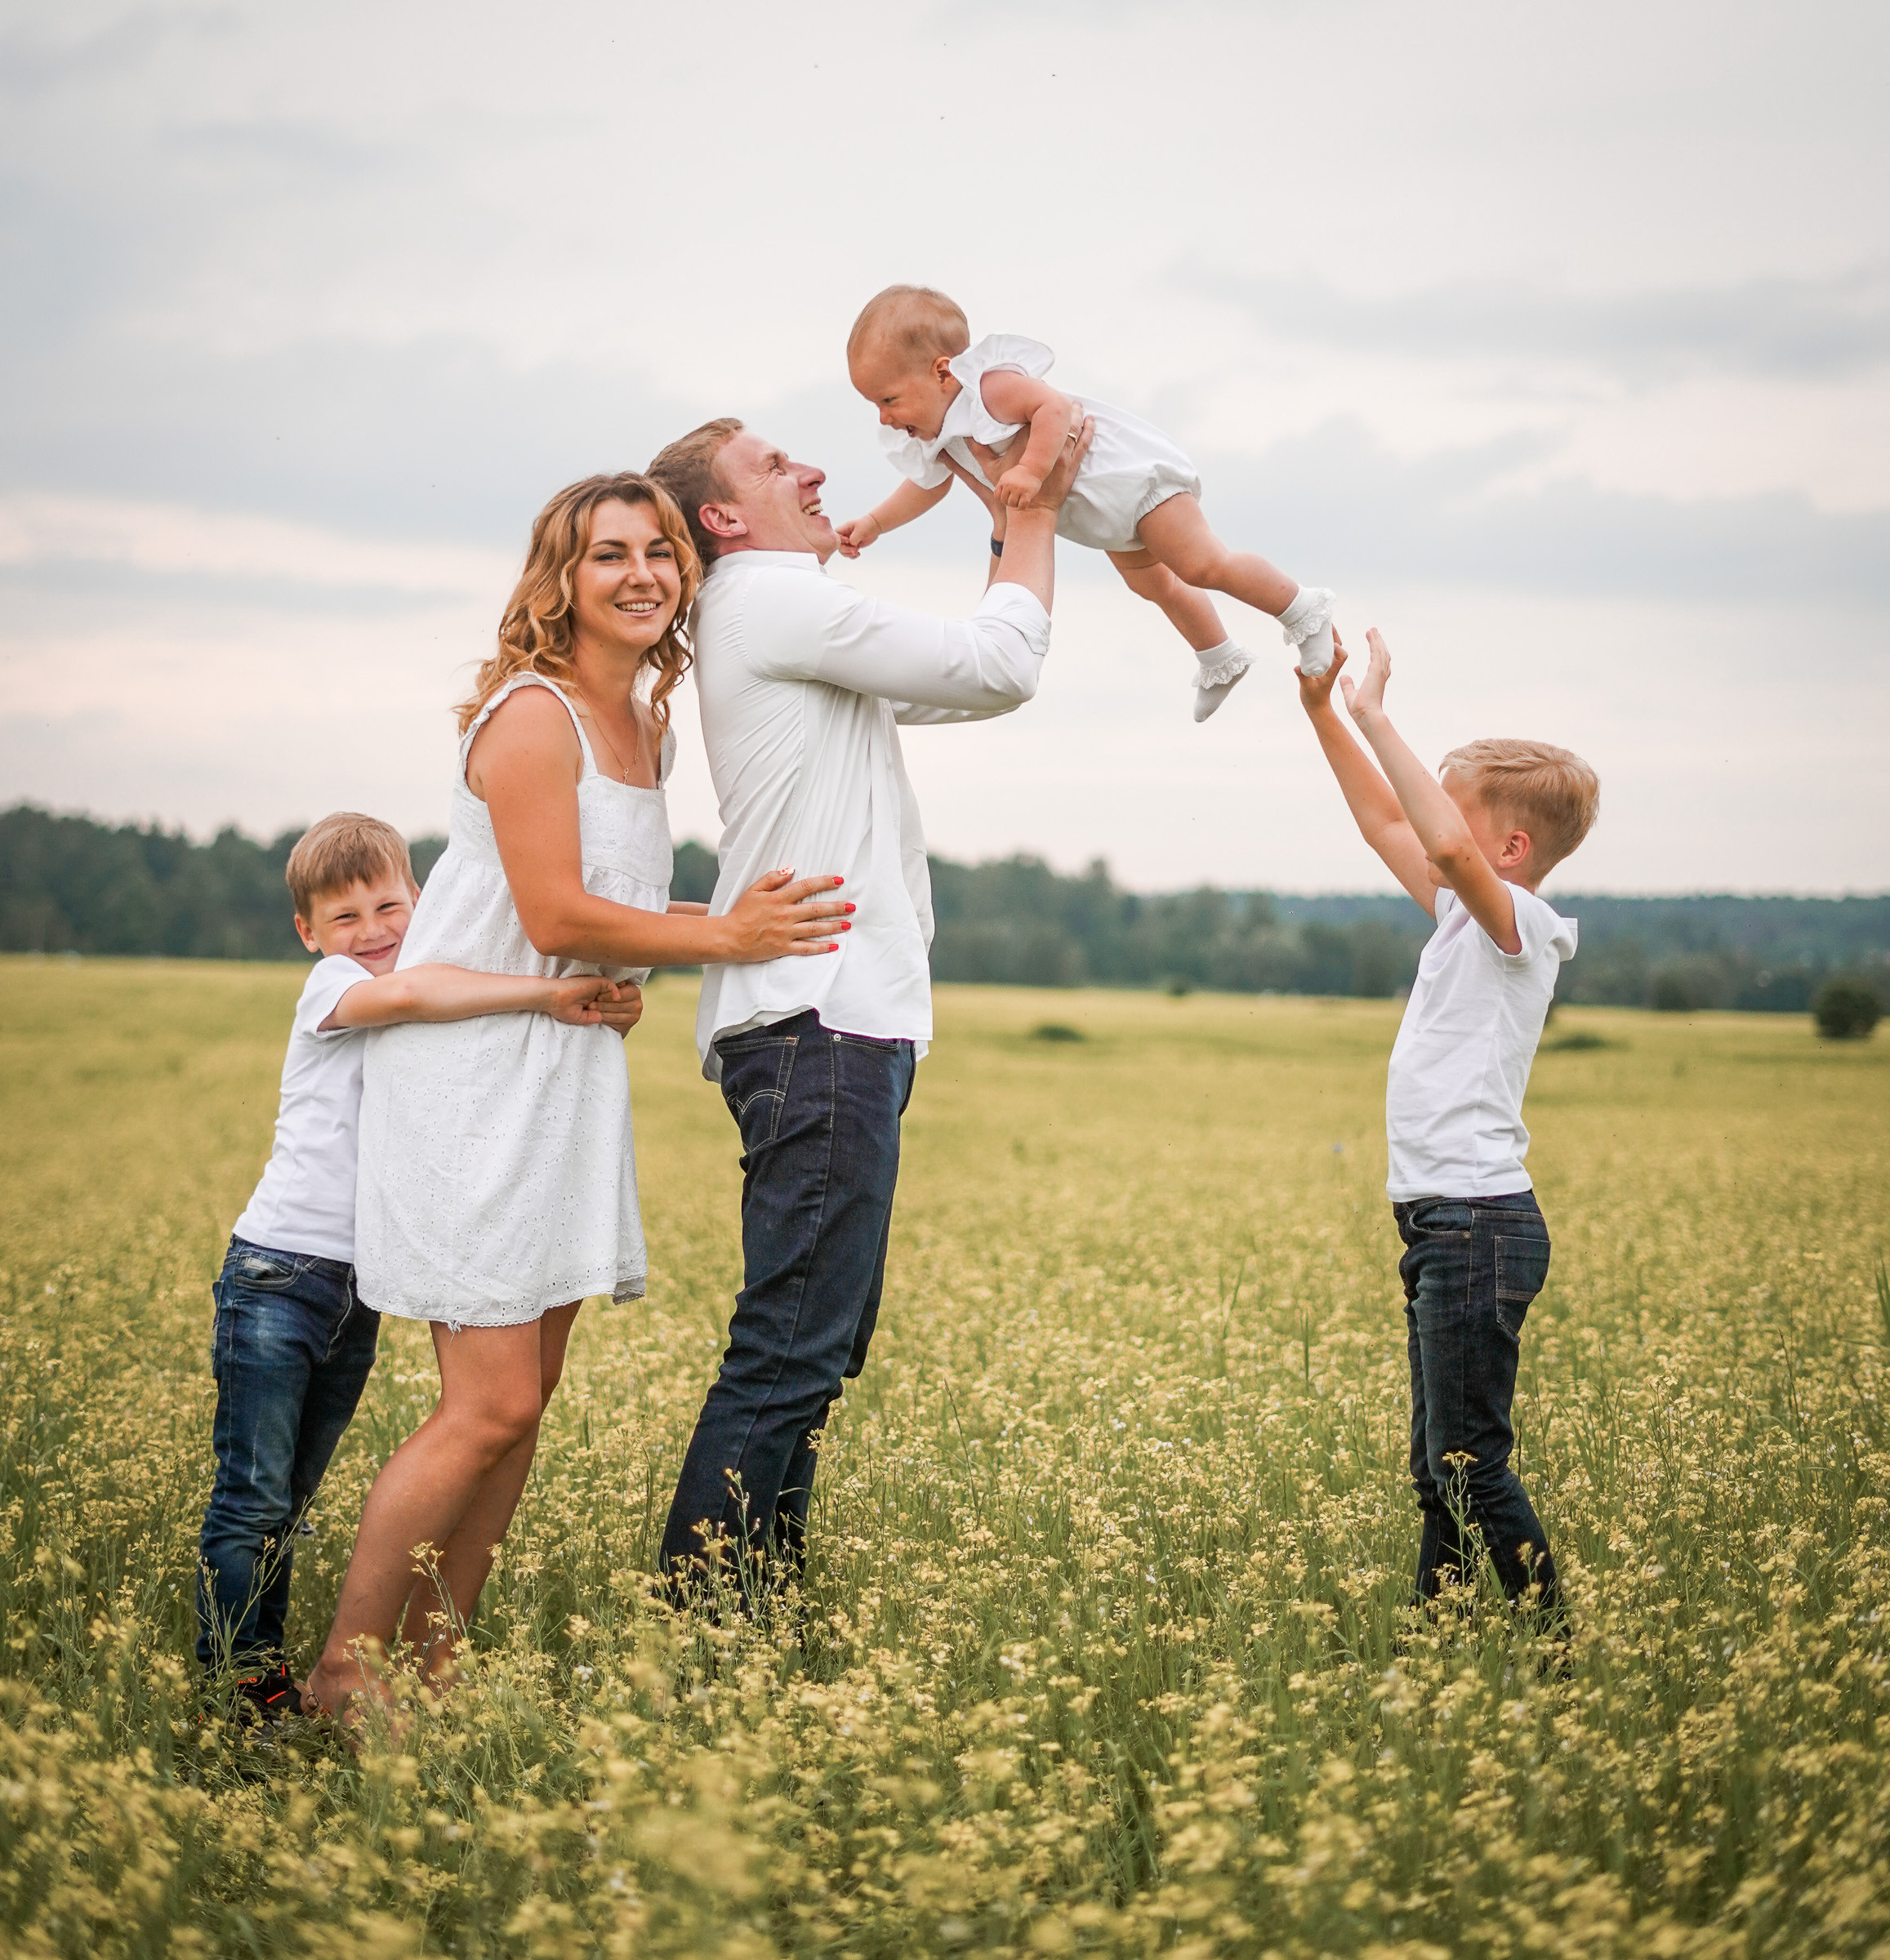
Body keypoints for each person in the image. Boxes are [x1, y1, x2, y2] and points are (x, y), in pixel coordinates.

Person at [302, 475, 849, 1718]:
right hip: (470, 1079)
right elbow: (552, 914)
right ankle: (345, 1674)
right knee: (484, 1402)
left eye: (662, 553)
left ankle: (434, 1667)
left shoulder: (646, 729)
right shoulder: (530, 717)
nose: (642, 574)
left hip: (559, 1070)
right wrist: (730, 934)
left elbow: (596, 922)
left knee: (524, 1406)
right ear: (565, 576)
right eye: (610, 555)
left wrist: (643, 959)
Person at [644, 407, 1094, 1597]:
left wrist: (1005, 540)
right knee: (792, 1343)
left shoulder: (774, 618)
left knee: (820, 1344)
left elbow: (954, 685)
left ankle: (760, 1596)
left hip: (833, 1021)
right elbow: (998, 666)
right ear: (724, 518)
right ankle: (706, 1613)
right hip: (818, 1019)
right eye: (774, 464)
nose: (815, 471)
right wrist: (1033, 514)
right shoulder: (764, 597)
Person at [198, 811, 640, 1722]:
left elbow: (473, 1005)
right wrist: (540, 993)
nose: (373, 932)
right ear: (309, 935)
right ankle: (239, 1688)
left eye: (389, 906)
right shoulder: (333, 988)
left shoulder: (435, 985)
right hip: (279, 1273)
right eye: (345, 918)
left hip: (352, 1290)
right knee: (252, 1499)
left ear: (423, 901)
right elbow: (408, 996)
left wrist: (606, 988)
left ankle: (288, 1673)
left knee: (290, 1497)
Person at [1298, 627, 1598, 1625]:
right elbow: (1391, 824)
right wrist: (1323, 713)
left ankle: (1555, 1645)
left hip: (1478, 1225)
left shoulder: (1519, 927)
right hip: (1441, 1225)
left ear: (1506, 850)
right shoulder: (1463, 918)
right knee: (1439, 1466)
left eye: (1460, 815)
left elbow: (1436, 840)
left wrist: (1378, 711)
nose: (1438, 829)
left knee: (1468, 1462)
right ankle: (1437, 1638)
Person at [835, 283, 1338, 723]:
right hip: (1099, 516)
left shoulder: (989, 390)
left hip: (1129, 481)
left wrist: (1030, 469)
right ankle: (1218, 656)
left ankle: (1301, 609)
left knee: (1202, 565)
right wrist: (878, 522)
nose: (882, 418)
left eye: (888, 399)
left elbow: (1054, 407)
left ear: (943, 372)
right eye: (872, 405)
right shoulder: (938, 435)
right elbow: (929, 485)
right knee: (1153, 584)